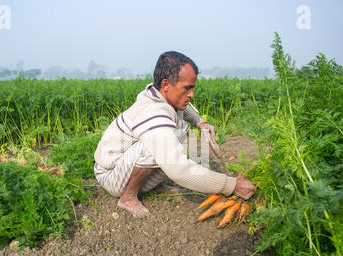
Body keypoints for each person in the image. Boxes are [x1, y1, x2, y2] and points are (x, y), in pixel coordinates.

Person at [94, 51, 256, 217]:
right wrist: (231, 185)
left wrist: (200, 122)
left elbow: (182, 108)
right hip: (111, 174)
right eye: (187, 88)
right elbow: (179, 170)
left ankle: (154, 185)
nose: (191, 94)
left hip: (125, 164)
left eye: (192, 88)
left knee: (171, 138)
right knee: (161, 146)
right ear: (165, 85)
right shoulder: (154, 112)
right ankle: (128, 197)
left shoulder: (160, 95)